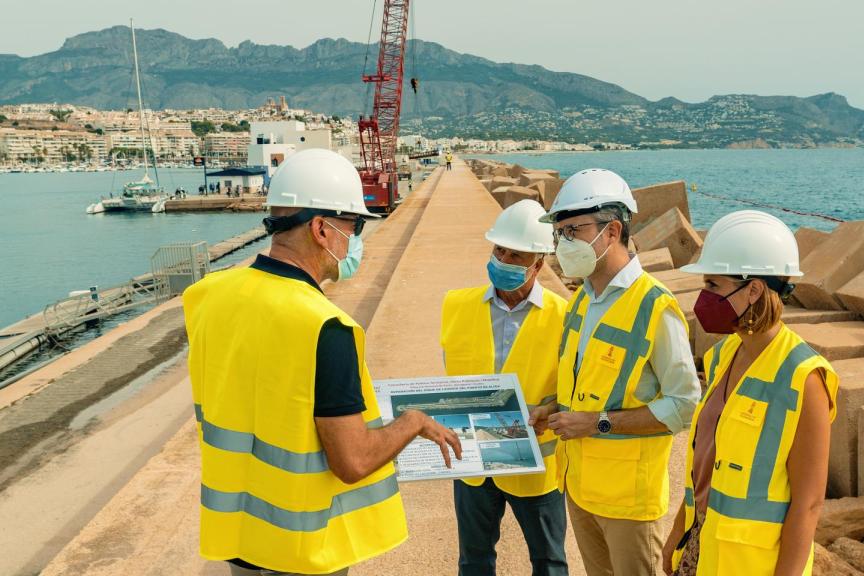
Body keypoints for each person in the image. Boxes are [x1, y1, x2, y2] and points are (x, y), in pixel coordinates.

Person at [183, 149, 462, 576]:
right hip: (299, 547)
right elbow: (352, 462)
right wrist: (414, 421)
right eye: (355, 226)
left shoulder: (208, 295)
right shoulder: (325, 327)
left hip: (239, 533)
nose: (356, 241)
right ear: (320, 228)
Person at [540, 169, 702, 576]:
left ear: (611, 231)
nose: (563, 244)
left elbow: (683, 406)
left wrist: (598, 424)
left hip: (628, 501)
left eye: (572, 231)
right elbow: (587, 388)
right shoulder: (582, 301)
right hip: (579, 487)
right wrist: (553, 408)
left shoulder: (655, 307)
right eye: (559, 235)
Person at [664, 210, 839, 576]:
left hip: (753, 565)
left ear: (754, 289)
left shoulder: (804, 378)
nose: (702, 297)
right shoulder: (723, 355)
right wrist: (678, 533)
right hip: (701, 548)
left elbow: (808, 504)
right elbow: (705, 464)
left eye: (713, 285)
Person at [440, 200, 569, 576]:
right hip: (473, 463)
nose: (503, 260)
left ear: (538, 264)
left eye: (516, 255)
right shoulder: (455, 305)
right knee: (474, 562)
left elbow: (573, 391)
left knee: (549, 563)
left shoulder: (565, 316)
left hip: (535, 466)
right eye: (499, 250)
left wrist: (553, 408)